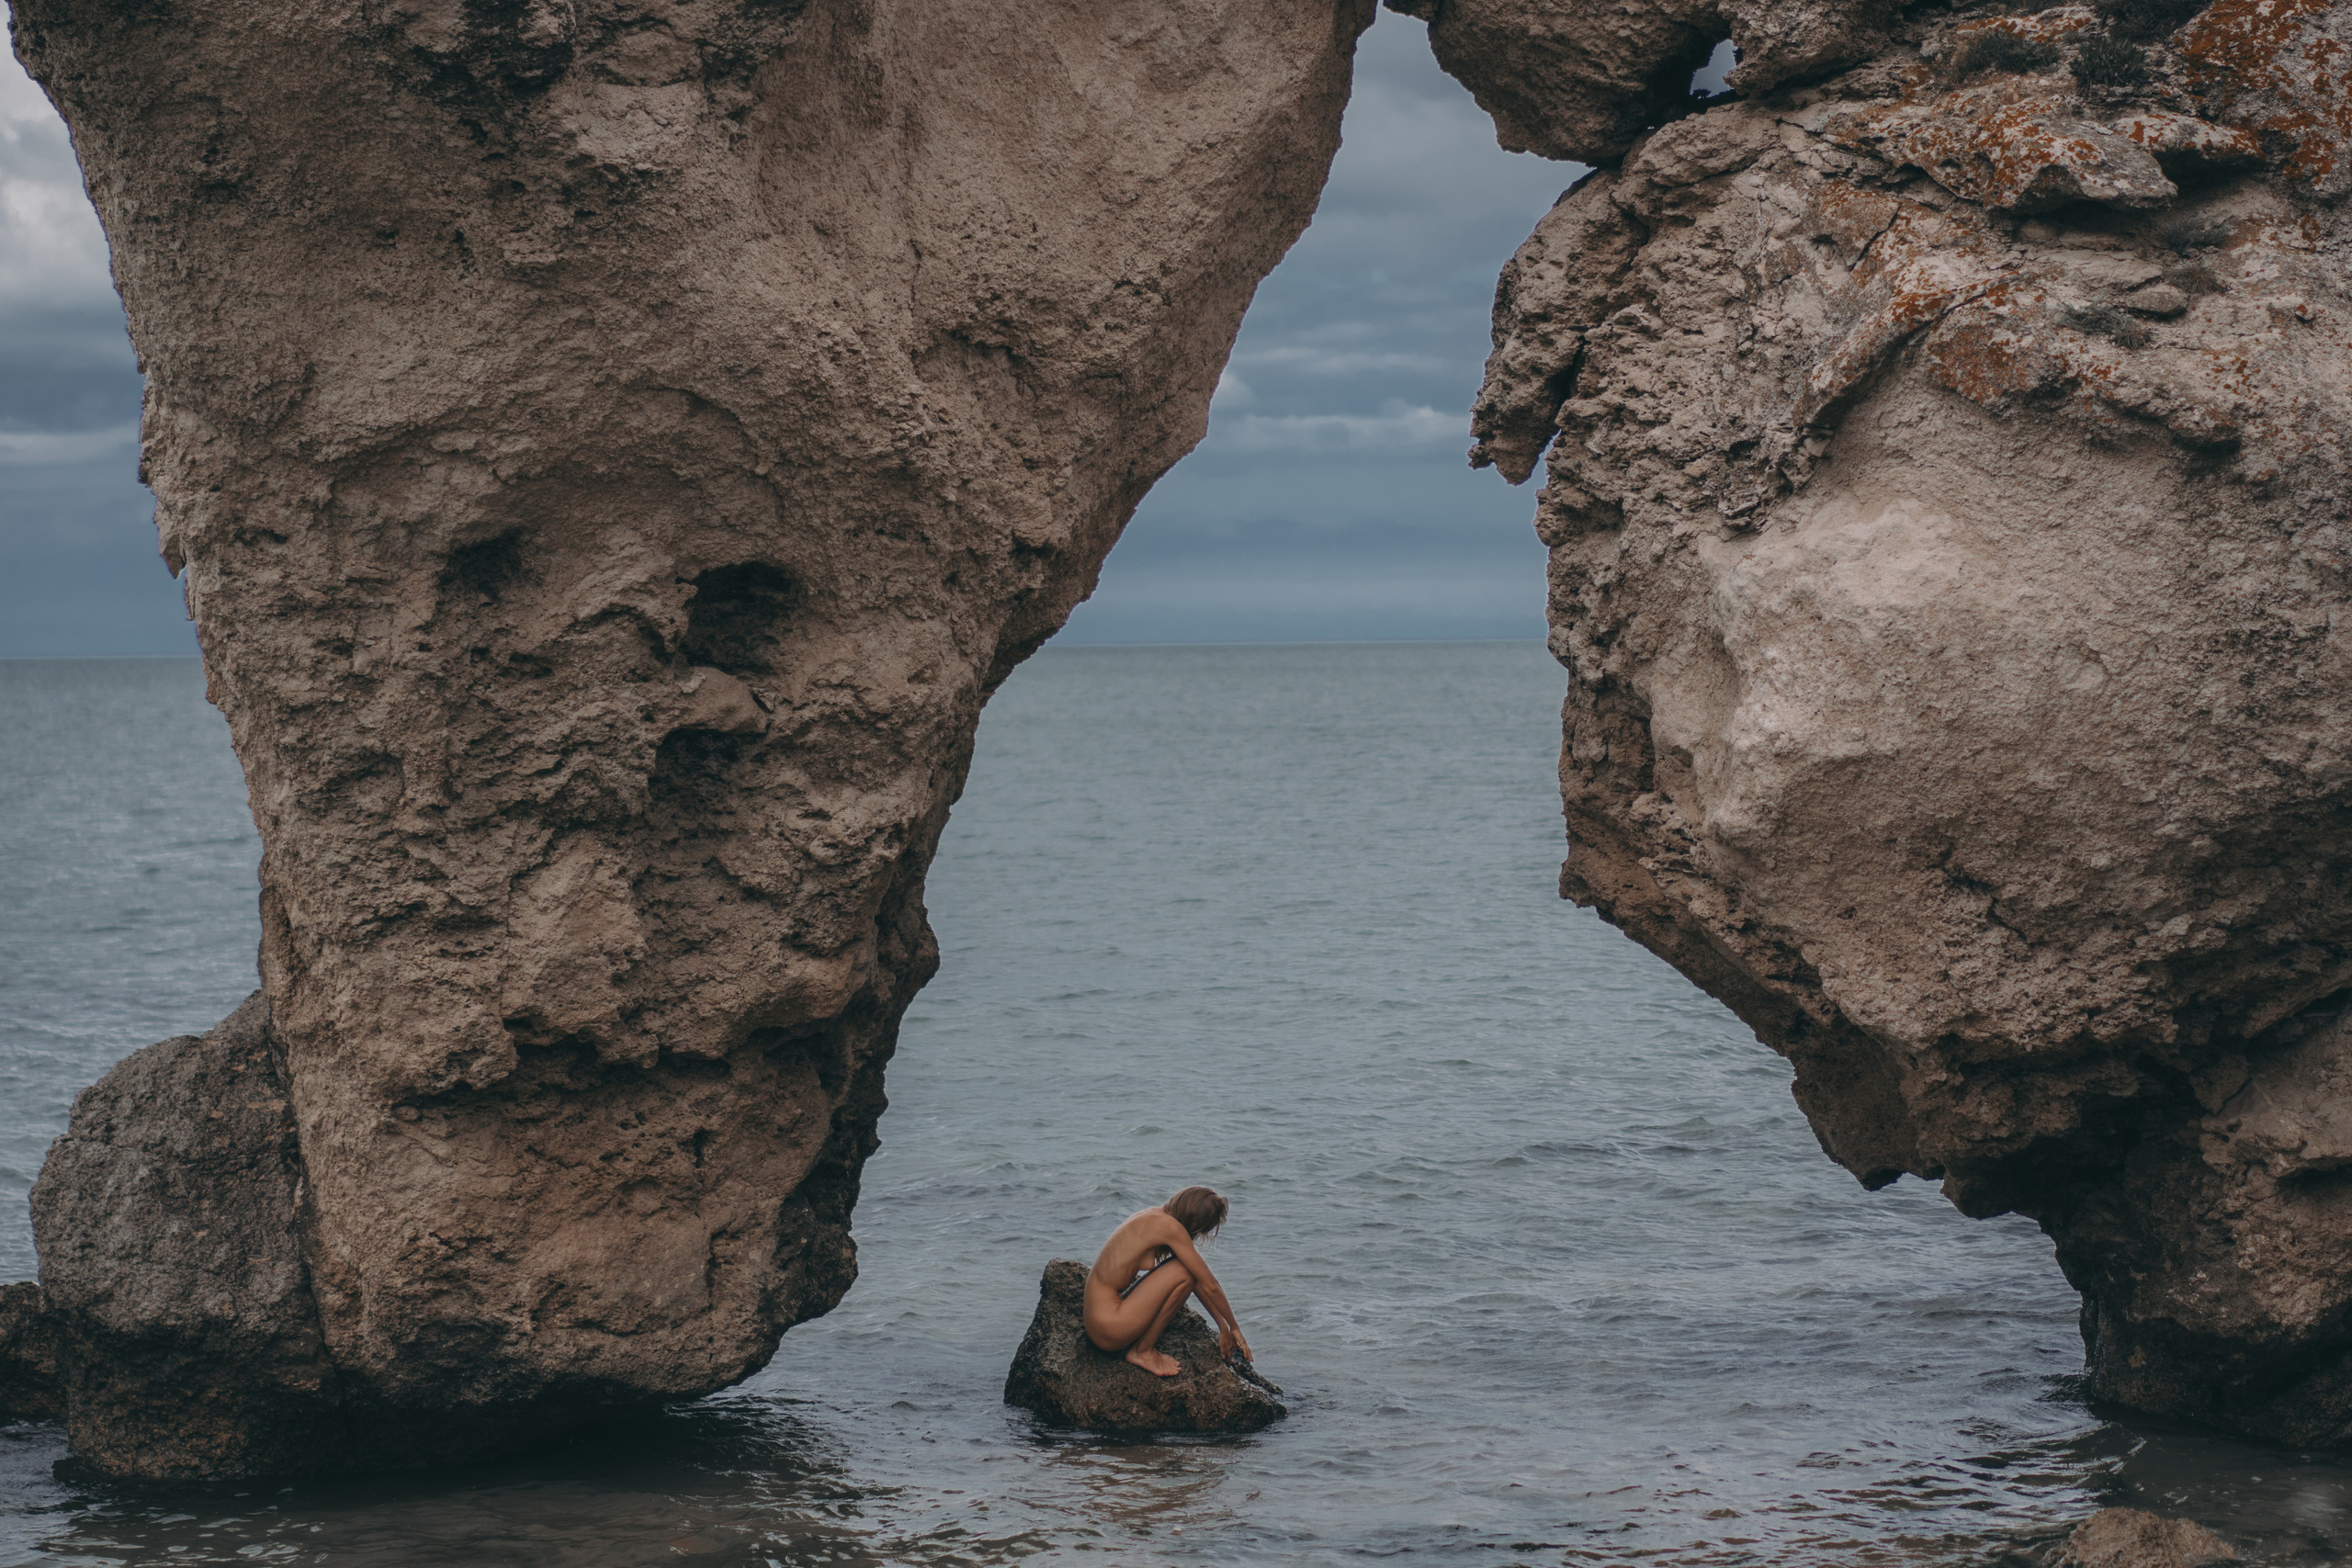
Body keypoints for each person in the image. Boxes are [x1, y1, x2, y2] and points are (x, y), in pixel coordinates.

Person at [1082, 1185, 1253, 1377]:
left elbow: (1197, 1278)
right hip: (1108, 1327)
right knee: (1186, 1270)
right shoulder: (1171, 1228)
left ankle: (1142, 1350)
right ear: (1198, 1226)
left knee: (1187, 1269)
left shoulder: (1155, 1216)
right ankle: (1142, 1352)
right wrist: (1235, 1327)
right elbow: (1210, 1285)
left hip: (1097, 1319)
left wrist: (1223, 1326)